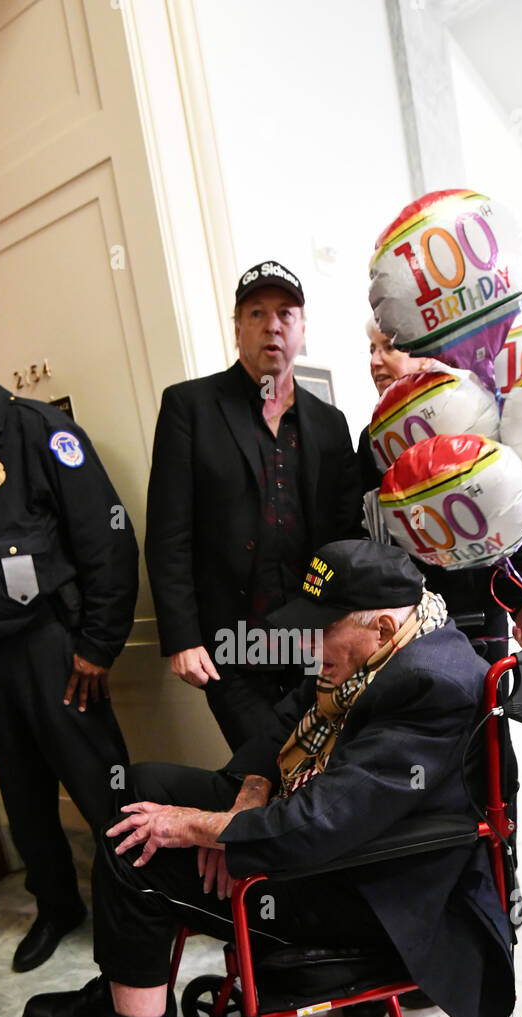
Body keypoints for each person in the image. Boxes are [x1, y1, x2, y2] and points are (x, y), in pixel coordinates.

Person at [0, 540, 515, 1017]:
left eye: (321, 629)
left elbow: (318, 827)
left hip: (373, 897)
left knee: (139, 856)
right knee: (138, 791)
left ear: (379, 625)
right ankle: (126, 989)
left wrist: (202, 830)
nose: (308, 645)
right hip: (323, 836)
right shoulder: (374, 649)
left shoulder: (429, 685)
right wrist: (242, 802)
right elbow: (281, 727)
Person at [0, 300, 139, 971]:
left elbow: (107, 541)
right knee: (23, 794)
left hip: (54, 648)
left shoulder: (41, 430)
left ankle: (141, 905)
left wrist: (98, 645)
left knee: (102, 787)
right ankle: (57, 905)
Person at [145, 261, 362, 752]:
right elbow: (167, 532)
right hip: (232, 647)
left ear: (302, 328)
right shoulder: (190, 407)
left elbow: (348, 536)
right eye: (257, 312)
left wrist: (352, 624)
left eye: (286, 313)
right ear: (237, 326)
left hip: (316, 641)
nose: (273, 325)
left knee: (324, 768)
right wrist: (182, 637)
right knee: (267, 770)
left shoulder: (330, 423)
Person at [357, 323, 522, 664]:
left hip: (481, 616)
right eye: (371, 349)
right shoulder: (371, 439)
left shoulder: (475, 415)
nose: (375, 360)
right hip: (409, 622)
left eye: (388, 347)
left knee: (488, 712)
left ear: (426, 356)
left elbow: (512, 515)